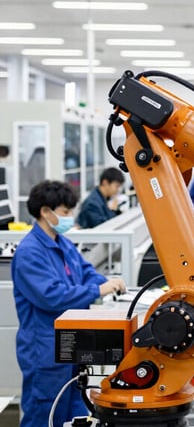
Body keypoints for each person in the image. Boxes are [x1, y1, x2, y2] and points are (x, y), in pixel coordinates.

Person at [12, 180, 126, 427]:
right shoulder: (30, 252)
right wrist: (97, 289)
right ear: (45, 212)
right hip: (44, 349)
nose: (70, 217)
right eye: (65, 212)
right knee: (44, 413)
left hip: (71, 344)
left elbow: (86, 271)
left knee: (75, 412)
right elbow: (51, 296)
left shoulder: (62, 242)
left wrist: (106, 284)